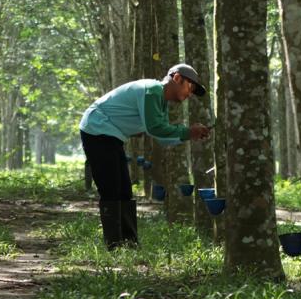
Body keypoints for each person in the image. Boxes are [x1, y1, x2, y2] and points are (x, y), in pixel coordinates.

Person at [79, 63, 211, 249]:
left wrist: (190, 135)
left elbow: (161, 137)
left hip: (112, 134)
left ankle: (130, 244)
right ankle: (115, 246)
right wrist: (189, 131)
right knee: (111, 187)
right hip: (97, 128)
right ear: (177, 78)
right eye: (190, 87)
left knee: (124, 189)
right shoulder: (152, 91)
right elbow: (155, 128)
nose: (190, 94)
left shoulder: (160, 101)